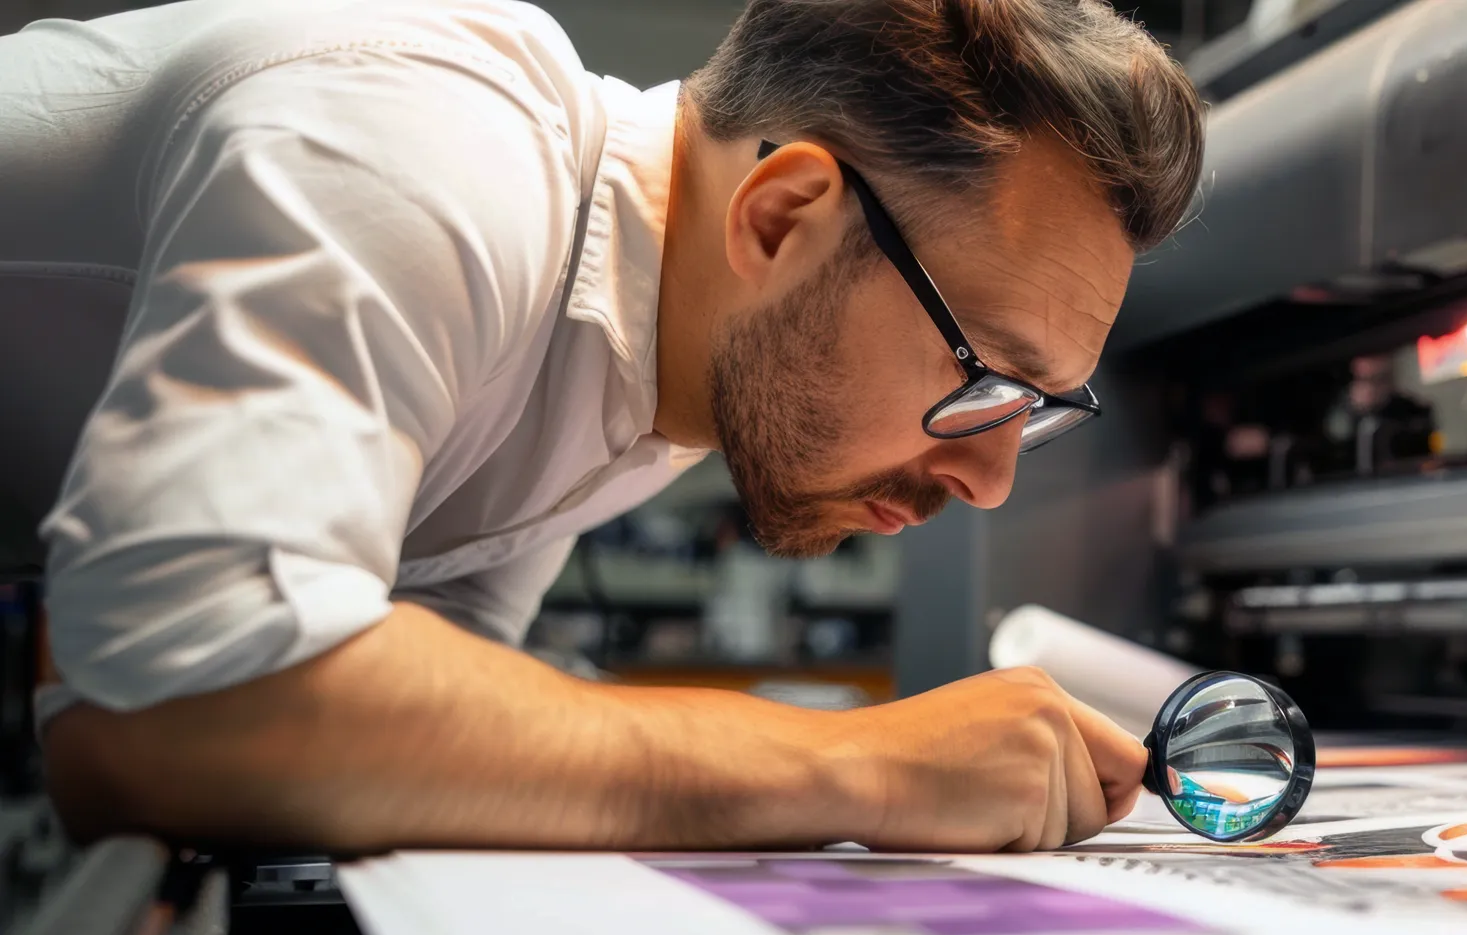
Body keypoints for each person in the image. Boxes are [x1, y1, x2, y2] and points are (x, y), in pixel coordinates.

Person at [0, 0, 1204, 853]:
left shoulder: (652, 387)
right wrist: (857, 767)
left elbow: (403, 694)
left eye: (1034, 411)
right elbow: (160, 714)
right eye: (982, 374)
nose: (992, 481)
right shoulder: (427, 147)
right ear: (783, 218)